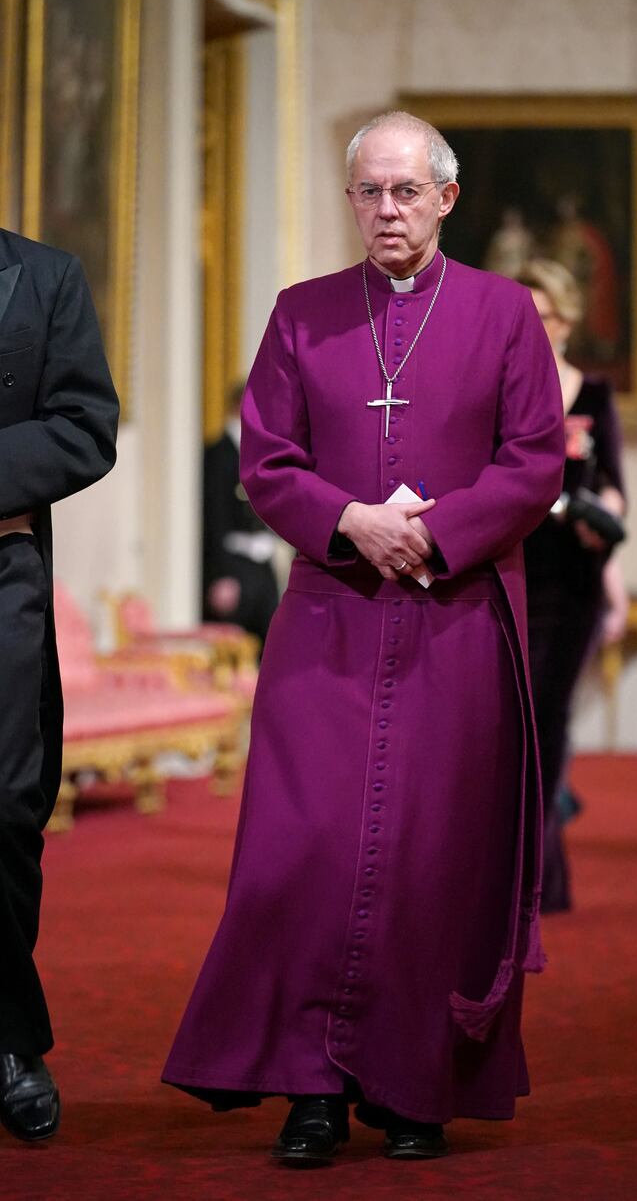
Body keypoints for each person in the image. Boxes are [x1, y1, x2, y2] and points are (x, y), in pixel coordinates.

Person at [163, 111, 564, 1165]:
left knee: (432, 854)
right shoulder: (301, 315)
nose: (384, 211)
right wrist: (350, 522)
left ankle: (411, 1084)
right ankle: (311, 1091)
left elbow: (532, 463)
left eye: (403, 191)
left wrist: (429, 536)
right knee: (302, 852)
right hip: (329, 621)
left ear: (444, 197)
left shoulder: (504, 312)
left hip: (455, 619)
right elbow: (265, 457)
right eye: (366, 193)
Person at [0, 228, 119, 1141]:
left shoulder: (47, 277)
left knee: (6, 811)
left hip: (2, 577)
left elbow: (86, 427)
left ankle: (8, 1037)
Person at [517, 259, 626, 912]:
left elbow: (614, 485)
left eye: (543, 317)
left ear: (565, 321)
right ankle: (526, 874)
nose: (532, 329)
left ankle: (540, 878)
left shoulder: (594, 396)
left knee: (548, 722)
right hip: (507, 577)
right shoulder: (498, 392)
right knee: (510, 728)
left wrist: (603, 516)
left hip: (572, 586)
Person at [203, 382, 279, 645]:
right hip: (232, 566)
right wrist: (220, 575)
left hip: (261, 563)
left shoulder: (258, 453)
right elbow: (214, 520)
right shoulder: (218, 454)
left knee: (271, 642)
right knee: (234, 650)